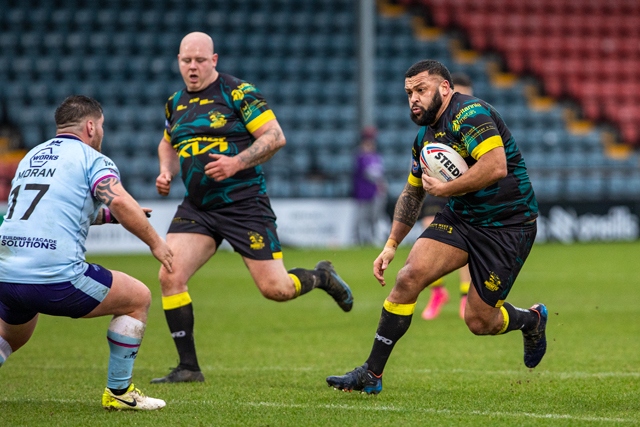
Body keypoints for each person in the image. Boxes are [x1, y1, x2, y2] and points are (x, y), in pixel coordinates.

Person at [326, 59, 546, 394]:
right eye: (408, 92)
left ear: (445, 88)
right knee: (408, 276)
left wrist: (446, 190)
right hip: (463, 217)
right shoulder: (425, 137)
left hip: (508, 225)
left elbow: (496, 165)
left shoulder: (469, 115)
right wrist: (391, 244)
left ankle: (531, 320)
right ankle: (371, 374)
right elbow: (412, 191)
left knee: (479, 321)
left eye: (421, 89)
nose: (413, 98)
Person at [151, 32, 353, 384]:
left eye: (200, 60)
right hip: (198, 207)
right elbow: (167, 143)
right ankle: (188, 368)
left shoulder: (238, 92)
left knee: (276, 290)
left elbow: (275, 137)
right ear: (179, 61)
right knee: (170, 274)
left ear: (214, 60)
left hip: (244, 204)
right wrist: (166, 171)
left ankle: (322, 277)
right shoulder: (175, 103)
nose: (193, 67)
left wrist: (236, 163)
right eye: (186, 60)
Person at [0, 95, 173, 410]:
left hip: (7, 274)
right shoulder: (92, 159)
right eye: (102, 126)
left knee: (11, 338)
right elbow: (119, 201)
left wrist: (113, 218)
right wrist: (156, 242)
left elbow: (54, 210)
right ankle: (119, 393)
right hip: (54, 277)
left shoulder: (31, 156)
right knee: (138, 299)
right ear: (91, 126)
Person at [419, 72, 474, 320]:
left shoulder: (477, 123)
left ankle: (465, 297)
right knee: (428, 234)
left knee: (463, 245)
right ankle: (438, 292)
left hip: (466, 189)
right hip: (440, 186)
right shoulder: (437, 123)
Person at [352, 126, 387, 245]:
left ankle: (372, 239)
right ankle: (357, 240)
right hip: (362, 192)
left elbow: (380, 173)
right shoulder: (360, 157)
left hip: (374, 192)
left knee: (374, 218)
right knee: (360, 219)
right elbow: (367, 173)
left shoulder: (377, 157)